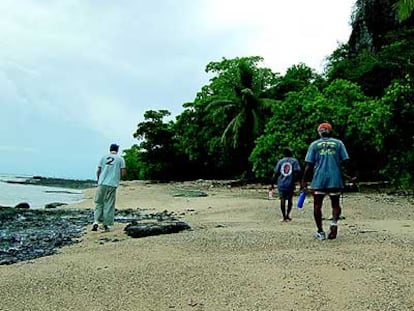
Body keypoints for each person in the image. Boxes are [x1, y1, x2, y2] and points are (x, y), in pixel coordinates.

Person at [301, 123, 352, 240]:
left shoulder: (314, 145)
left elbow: (308, 165)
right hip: (335, 178)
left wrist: (303, 180)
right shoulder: (338, 144)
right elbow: (346, 161)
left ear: (319, 132)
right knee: (335, 204)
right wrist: (350, 175)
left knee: (317, 205)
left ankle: (320, 231)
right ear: (330, 131)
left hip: (319, 179)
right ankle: (334, 223)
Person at [92, 143, 126, 232]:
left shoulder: (104, 157)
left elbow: (98, 170)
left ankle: (96, 221)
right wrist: (118, 178)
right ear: (117, 150)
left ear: (110, 149)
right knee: (109, 203)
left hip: (102, 183)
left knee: (99, 202)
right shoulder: (120, 159)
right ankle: (106, 224)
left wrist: (99, 180)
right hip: (112, 184)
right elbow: (123, 172)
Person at [271, 147, 301, 222]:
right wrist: (299, 181)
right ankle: (288, 215)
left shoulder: (280, 161)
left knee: (282, 199)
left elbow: (276, 173)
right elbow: (297, 172)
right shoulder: (294, 161)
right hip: (290, 183)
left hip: (281, 183)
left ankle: (284, 216)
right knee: (290, 199)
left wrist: (272, 183)